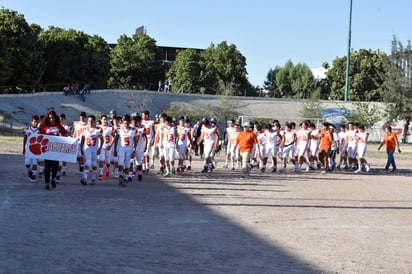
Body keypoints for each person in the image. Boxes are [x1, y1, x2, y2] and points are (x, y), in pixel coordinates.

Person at [38, 111, 68, 190]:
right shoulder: (45, 127)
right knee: (47, 167)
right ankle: (47, 184)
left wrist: (72, 140)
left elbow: (65, 134)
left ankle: (53, 179)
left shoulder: (58, 126)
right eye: (50, 118)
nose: (51, 120)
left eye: (53, 118)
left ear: (55, 118)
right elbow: (40, 136)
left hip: (56, 149)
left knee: (55, 167)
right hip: (47, 149)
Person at [113, 115, 138, 187]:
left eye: (127, 123)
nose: (126, 125)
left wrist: (134, 149)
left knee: (127, 164)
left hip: (129, 148)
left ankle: (126, 178)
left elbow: (135, 140)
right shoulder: (119, 129)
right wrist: (115, 149)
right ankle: (121, 176)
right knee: (120, 163)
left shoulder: (133, 130)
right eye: (125, 123)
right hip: (121, 148)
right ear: (122, 123)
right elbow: (116, 139)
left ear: (129, 123)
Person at [80, 115, 103, 185]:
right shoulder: (84, 129)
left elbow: (102, 140)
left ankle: (93, 178)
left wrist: (100, 148)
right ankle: (85, 178)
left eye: (92, 121)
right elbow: (83, 139)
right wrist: (81, 147)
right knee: (87, 162)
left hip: (95, 149)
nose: (90, 122)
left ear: (94, 122)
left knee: (94, 164)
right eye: (89, 121)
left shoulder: (98, 130)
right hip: (87, 148)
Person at [23, 115, 40, 183]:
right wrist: (23, 148)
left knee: (34, 163)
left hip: (36, 149)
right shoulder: (27, 129)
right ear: (31, 121)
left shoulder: (40, 130)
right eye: (34, 122)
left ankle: (34, 175)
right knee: (27, 163)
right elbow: (25, 139)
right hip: (28, 149)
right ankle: (30, 171)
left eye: (37, 122)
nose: (35, 123)